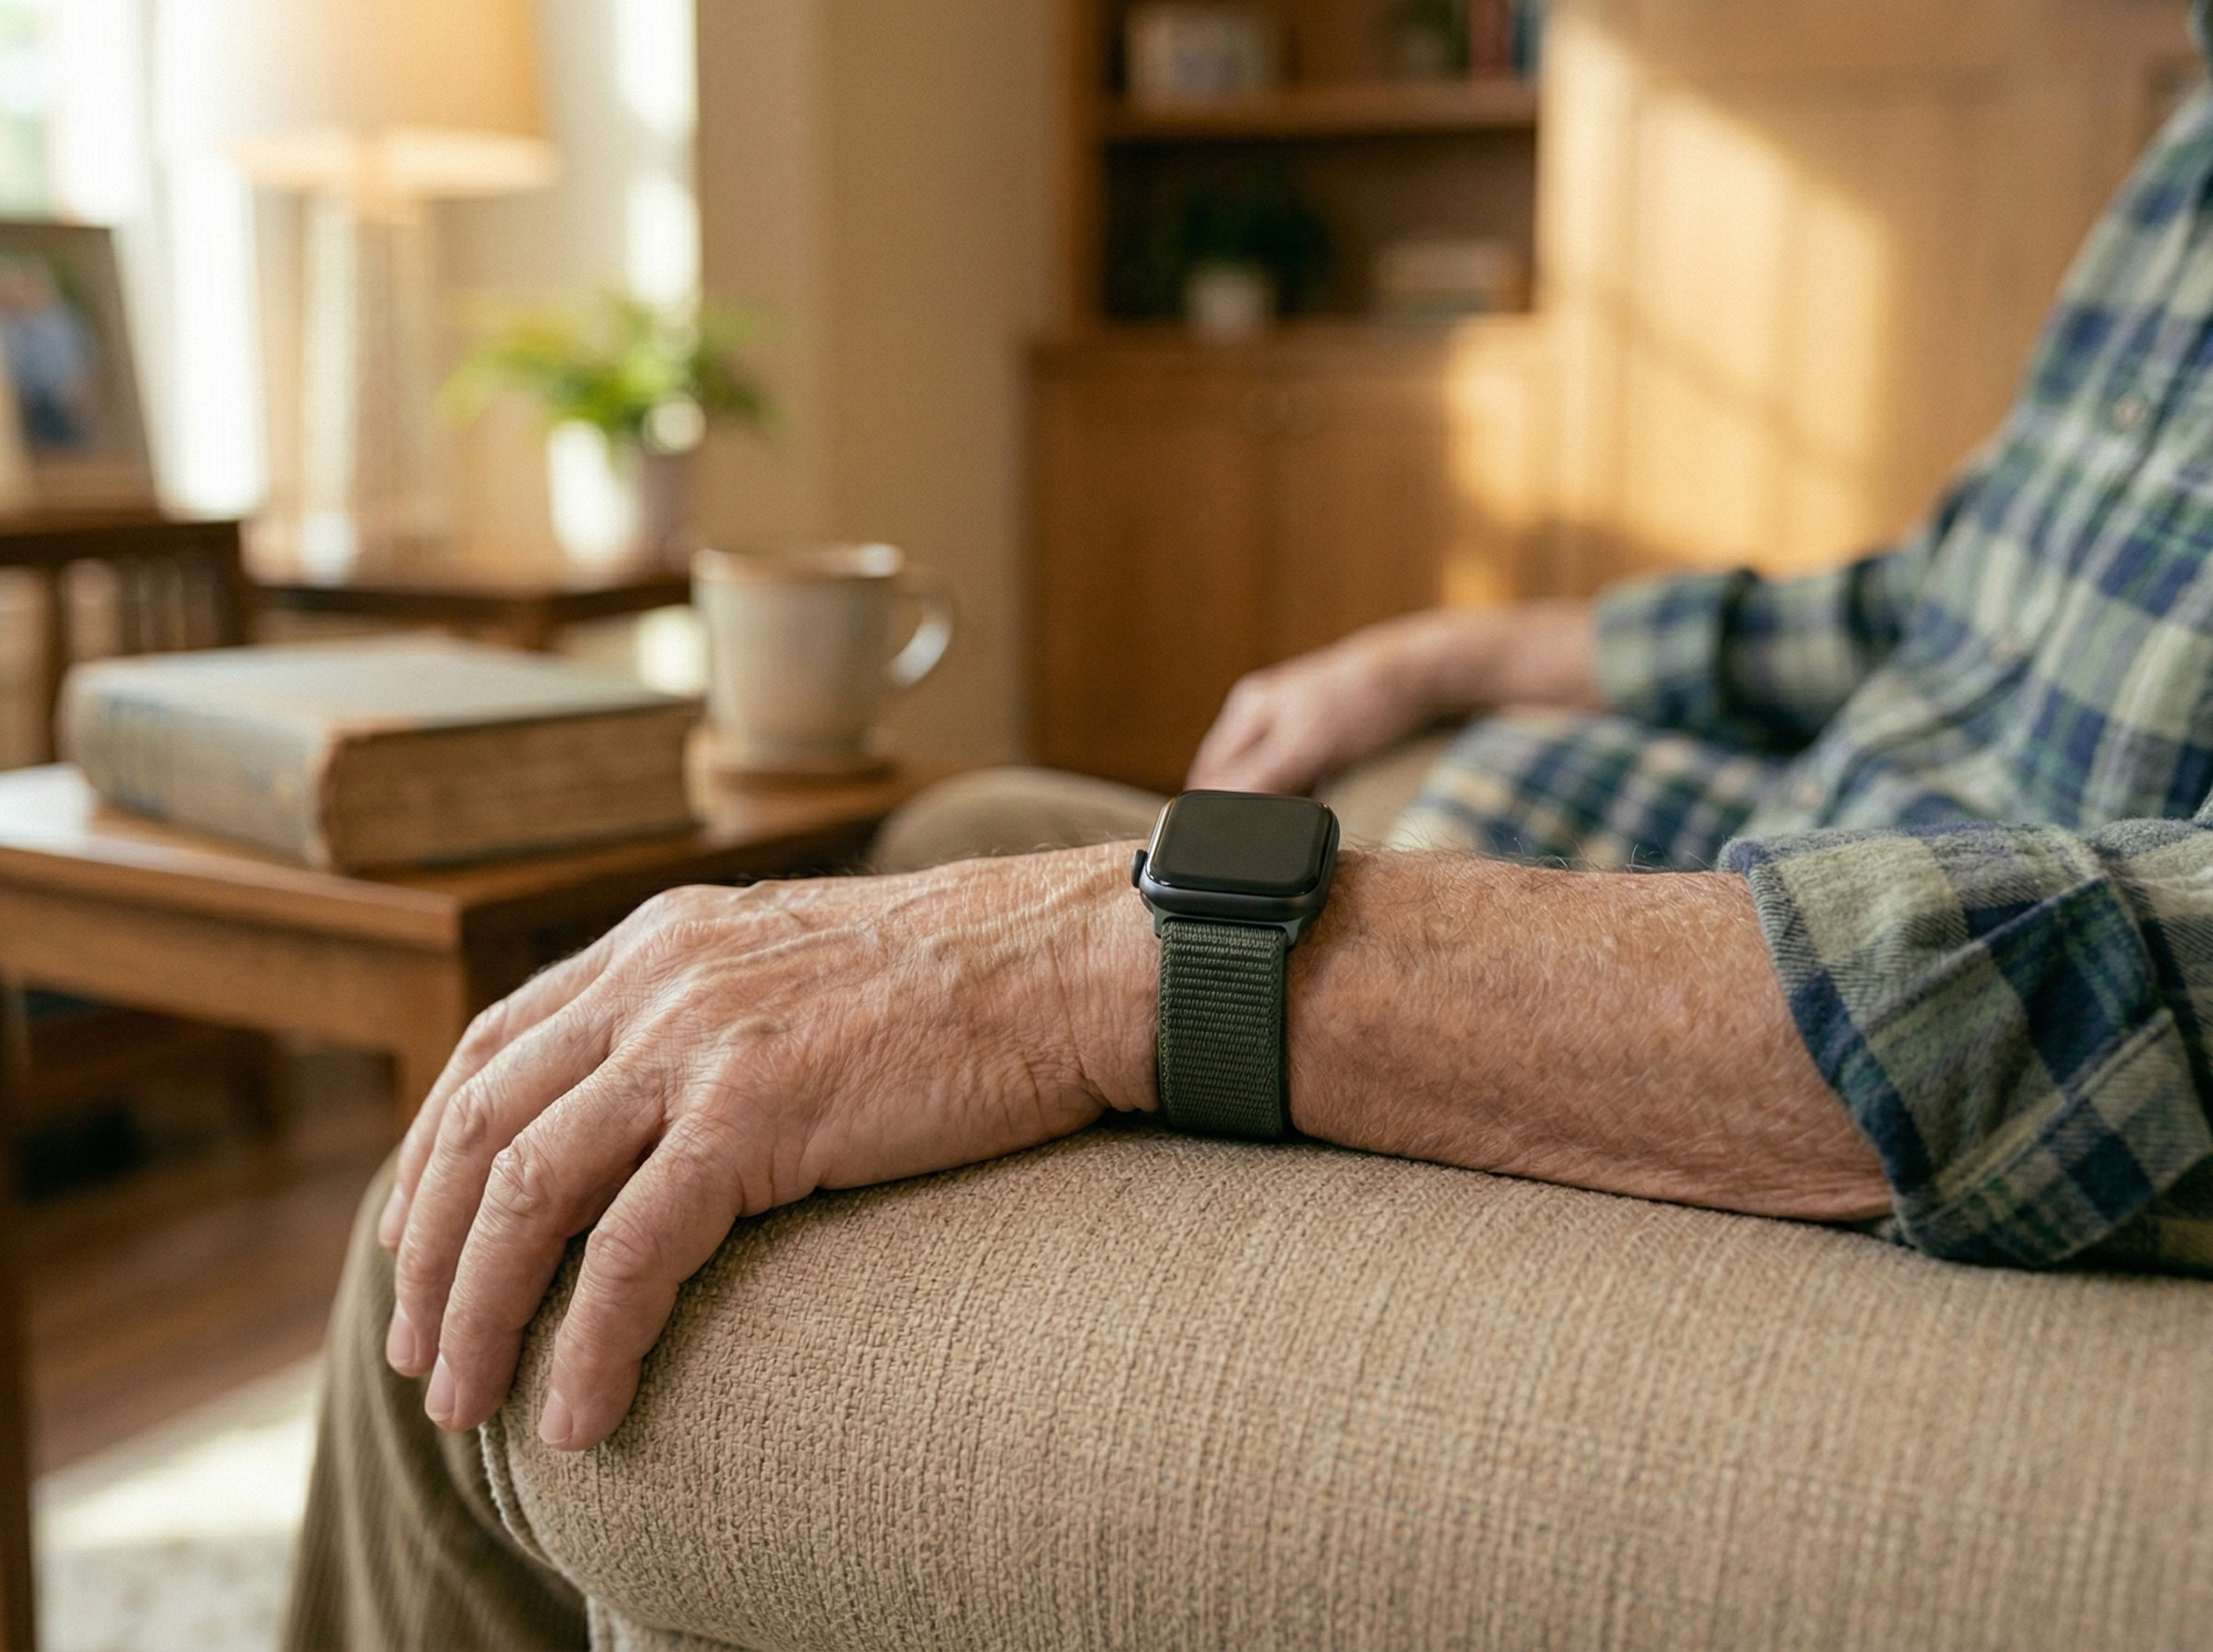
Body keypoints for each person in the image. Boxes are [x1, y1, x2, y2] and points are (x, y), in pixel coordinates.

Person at [289, 8, 2213, 1644]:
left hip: (1918, 1167)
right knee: (942, 824)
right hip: (1722, 841)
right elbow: (1928, 603)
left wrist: (1117, 961)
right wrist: (1441, 648)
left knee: (484, 1206)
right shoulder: (2184, 127)